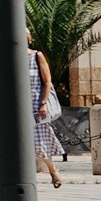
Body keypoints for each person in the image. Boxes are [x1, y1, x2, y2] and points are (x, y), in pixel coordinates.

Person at [25, 46, 65, 189]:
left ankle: (53, 171)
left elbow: (47, 81)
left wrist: (43, 103)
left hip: (35, 106)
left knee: (40, 142)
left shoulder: (36, 56)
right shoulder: (9, 56)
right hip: (17, 106)